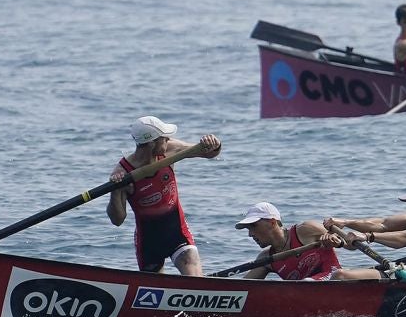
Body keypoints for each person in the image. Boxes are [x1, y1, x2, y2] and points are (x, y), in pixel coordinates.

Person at [108, 116, 222, 276]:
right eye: (164, 138)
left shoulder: (169, 150)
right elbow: (117, 220)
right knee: (153, 291)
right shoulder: (123, 173)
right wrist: (115, 190)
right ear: (151, 143)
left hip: (177, 232)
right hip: (148, 242)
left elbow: (209, 153)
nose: (168, 139)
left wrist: (214, 144)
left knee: (195, 279)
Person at [235, 202, 380, 281]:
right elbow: (242, 288)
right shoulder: (265, 259)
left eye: (253, 226)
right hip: (305, 294)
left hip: (334, 279)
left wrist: (336, 242)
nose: (250, 234)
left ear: (273, 222)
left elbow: (351, 246)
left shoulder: (305, 230)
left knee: (305, 284)